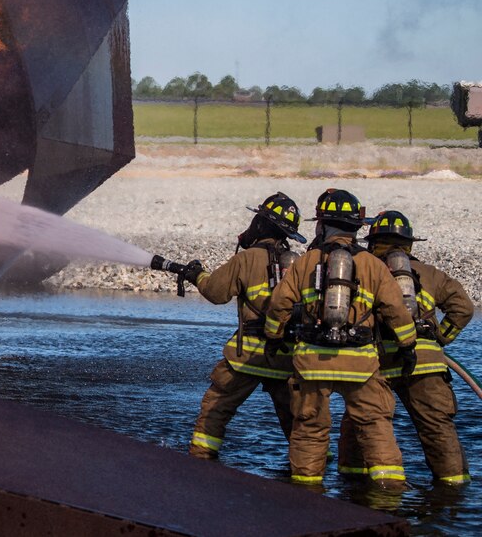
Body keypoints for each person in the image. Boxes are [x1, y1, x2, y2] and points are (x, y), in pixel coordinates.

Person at [263, 188, 417, 488]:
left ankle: (307, 492)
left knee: (310, 428)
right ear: (356, 228)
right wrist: (408, 346)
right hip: (360, 364)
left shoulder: (306, 263)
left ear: (321, 225)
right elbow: (396, 310)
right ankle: (389, 493)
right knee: (375, 426)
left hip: (313, 362)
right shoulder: (373, 265)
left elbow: (279, 303)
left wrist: (273, 337)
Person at [338, 210, 474, 485]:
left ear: (373, 242)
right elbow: (464, 308)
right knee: (437, 429)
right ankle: (453, 493)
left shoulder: (366, 270)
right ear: (409, 244)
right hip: (425, 362)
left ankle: (355, 488)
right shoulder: (430, 273)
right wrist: (440, 337)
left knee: (362, 423)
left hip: (377, 362)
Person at [183, 192, 306, 459]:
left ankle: (200, 462)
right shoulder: (299, 263)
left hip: (247, 356)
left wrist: (196, 275)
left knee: (216, 408)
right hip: (286, 356)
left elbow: (216, 292)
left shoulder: (247, 259)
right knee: (301, 423)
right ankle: (313, 476)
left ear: (261, 225)